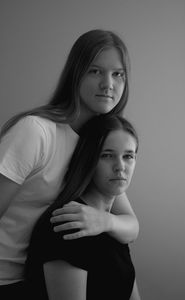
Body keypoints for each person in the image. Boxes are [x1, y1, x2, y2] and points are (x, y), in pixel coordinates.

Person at [0, 29, 140, 298]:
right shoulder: (36, 132)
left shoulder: (98, 144)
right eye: (95, 71)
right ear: (75, 73)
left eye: (118, 74)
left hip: (38, 277)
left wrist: (104, 221)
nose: (108, 84)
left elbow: (131, 226)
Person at [25, 114, 139, 300]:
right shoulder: (67, 222)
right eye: (107, 155)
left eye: (128, 156)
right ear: (88, 159)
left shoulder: (115, 224)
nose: (120, 167)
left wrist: (109, 222)